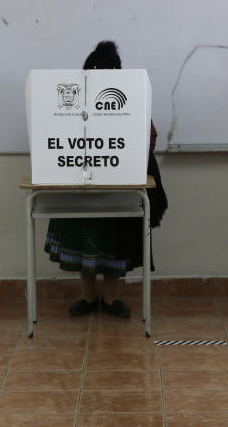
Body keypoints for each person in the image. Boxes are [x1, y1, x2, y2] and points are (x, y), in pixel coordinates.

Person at [44, 40, 168, 318]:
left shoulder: (131, 99)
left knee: (115, 239)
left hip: (120, 184)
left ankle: (110, 299)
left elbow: (148, 138)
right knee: (83, 236)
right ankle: (88, 297)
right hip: (81, 182)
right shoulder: (74, 100)